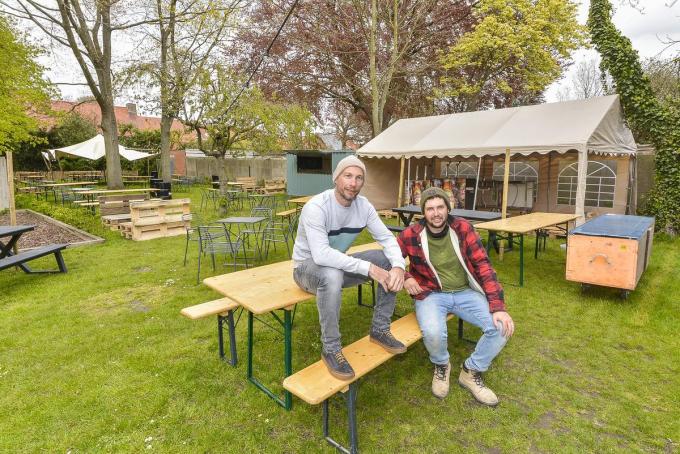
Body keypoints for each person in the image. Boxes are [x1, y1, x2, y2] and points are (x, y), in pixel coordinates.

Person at [396, 187, 514, 406]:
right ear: (423, 211)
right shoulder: (411, 234)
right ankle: (442, 365)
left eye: (440, 207)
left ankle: (471, 371)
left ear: (448, 208)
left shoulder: (462, 228)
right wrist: (405, 276)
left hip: (464, 292)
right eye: (430, 208)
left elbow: (483, 266)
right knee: (433, 333)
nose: (436, 213)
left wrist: (498, 307)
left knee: (502, 327)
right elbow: (390, 257)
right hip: (430, 294)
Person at [292, 155, 407, 380]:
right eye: (347, 176)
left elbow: (387, 238)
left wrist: (399, 267)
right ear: (336, 178)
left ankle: (380, 329)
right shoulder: (316, 207)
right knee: (335, 274)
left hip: (336, 265)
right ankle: (331, 348)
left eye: (359, 178)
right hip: (306, 270)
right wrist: (369, 269)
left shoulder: (364, 206)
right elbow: (322, 255)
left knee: (385, 259)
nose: (353, 183)